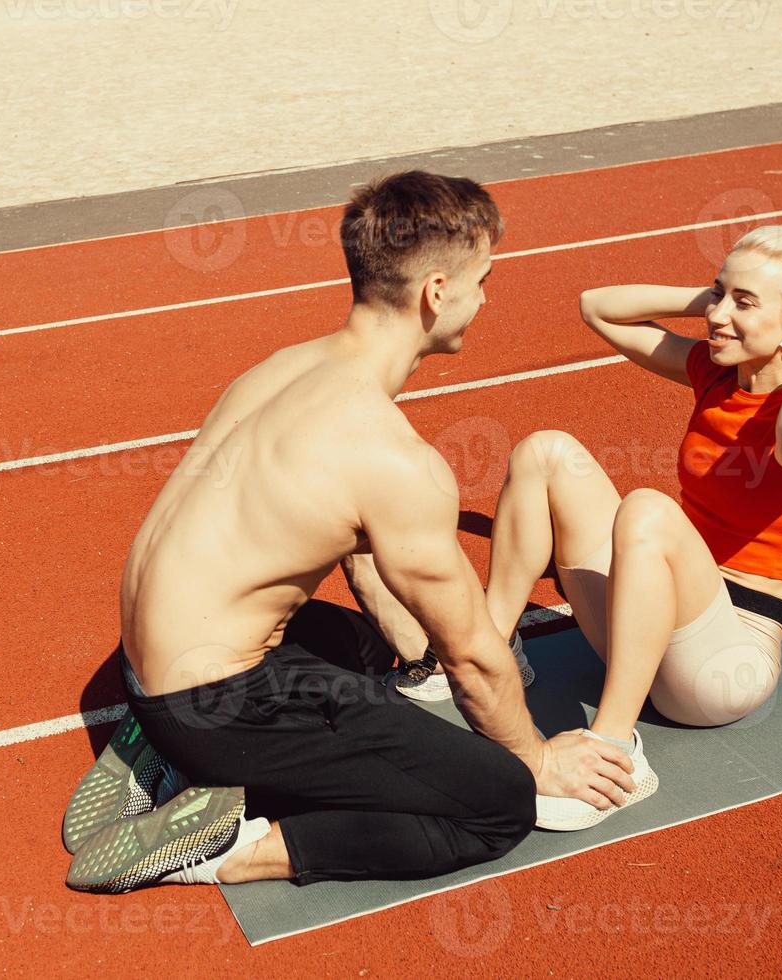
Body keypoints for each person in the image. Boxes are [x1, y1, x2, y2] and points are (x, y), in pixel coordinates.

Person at [62, 171, 636, 894]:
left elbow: (356, 553)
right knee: (495, 802)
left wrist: (407, 652)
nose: (485, 297)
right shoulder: (389, 456)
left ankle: (163, 749)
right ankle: (235, 847)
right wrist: (538, 759)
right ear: (436, 290)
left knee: (372, 648)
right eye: (482, 280)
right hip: (219, 705)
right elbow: (474, 660)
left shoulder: (281, 370)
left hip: (148, 670)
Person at [483, 223, 782, 830]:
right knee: (547, 451)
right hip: (652, 624)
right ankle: (487, 650)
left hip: (723, 666)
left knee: (646, 508)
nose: (719, 315)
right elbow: (598, 308)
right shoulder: (716, 374)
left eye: (745, 304)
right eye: (720, 294)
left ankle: (616, 749)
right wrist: (720, 299)